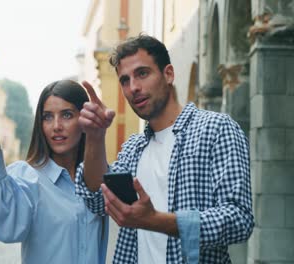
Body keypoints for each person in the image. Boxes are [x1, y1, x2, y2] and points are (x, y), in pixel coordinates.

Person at [76, 34, 254, 263]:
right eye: (125, 80)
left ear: (168, 74)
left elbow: (239, 219)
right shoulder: (133, 148)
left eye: (142, 73)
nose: (133, 88)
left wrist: (156, 220)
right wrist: (95, 136)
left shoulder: (216, 129)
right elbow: (96, 200)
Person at [0, 80, 108, 264]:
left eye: (67, 114)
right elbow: (6, 223)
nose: (56, 125)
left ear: (84, 119)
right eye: (47, 117)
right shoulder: (27, 177)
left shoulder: (99, 177)